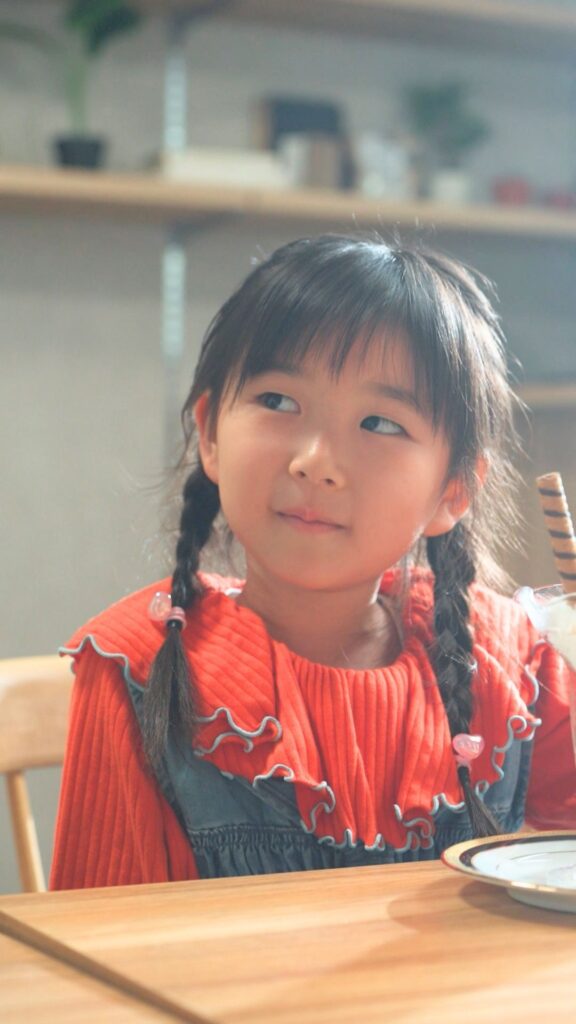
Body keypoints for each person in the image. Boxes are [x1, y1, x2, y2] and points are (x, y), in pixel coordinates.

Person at [50, 234, 575, 890]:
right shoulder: (142, 668)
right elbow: (95, 951)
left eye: (381, 423)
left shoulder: (515, 657)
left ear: (453, 490)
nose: (316, 461)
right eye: (278, 402)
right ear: (211, 433)